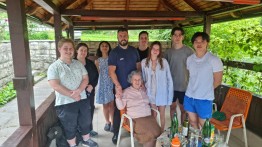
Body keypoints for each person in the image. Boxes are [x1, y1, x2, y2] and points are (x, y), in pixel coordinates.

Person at [47, 39, 98, 147]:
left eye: (71, 48)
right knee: (70, 125)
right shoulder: (54, 67)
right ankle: (73, 144)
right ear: (59, 49)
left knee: (86, 121)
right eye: (66, 48)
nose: (69, 51)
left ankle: (86, 140)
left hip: (82, 98)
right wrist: (72, 95)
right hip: (65, 102)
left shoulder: (78, 64)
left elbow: (86, 78)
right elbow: (55, 85)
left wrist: (79, 91)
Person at [184, 32, 223, 128]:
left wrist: (205, 90)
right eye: (196, 41)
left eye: (202, 41)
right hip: (189, 96)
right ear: (193, 44)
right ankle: (197, 143)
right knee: (192, 122)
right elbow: (191, 76)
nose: (199, 44)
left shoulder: (214, 60)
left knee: (205, 125)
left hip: (204, 99)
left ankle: (206, 143)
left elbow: (218, 81)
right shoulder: (189, 59)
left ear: (207, 43)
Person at [108, 27, 140, 144]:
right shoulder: (114, 52)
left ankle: (133, 130)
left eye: (125, 35)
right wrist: (117, 85)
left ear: (128, 36)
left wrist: (139, 83)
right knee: (118, 110)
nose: (123, 38)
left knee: (133, 108)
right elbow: (111, 71)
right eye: (121, 36)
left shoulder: (133, 50)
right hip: (119, 87)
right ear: (117, 37)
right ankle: (116, 132)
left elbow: (138, 67)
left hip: (133, 88)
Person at [115, 70, 161, 147]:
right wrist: (118, 98)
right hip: (135, 119)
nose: (137, 82)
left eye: (139, 80)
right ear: (131, 81)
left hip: (148, 117)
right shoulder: (126, 92)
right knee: (148, 134)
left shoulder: (144, 91)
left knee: (157, 132)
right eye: (135, 80)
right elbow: (120, 107)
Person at [141, 41, 173, 132]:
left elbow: (169, 79)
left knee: (162, 114)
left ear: (160, 51)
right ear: (150, 49)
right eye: (154, 49)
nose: (155, 51)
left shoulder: (164, 62)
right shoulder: (144, 62)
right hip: (150, 93)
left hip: (162, 93)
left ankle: (162, 132)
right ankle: (155, 132)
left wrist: (169, 96)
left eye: (157, 49)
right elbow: (143, 77)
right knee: (154, 114)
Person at [165, 27, 194, 123]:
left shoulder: (189, 51)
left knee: (183, 109)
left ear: (183, 37)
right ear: (172, 37)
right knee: (172, 107)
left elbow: (194, 68)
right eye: (175, 35)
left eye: (179, 35)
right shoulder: (168, 52)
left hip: (184, 86)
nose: (177, 37)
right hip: (171, 86)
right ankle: (174, 129)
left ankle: (182, 131)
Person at [75, 43, 99, 137]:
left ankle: (89, 129)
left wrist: (92, 86)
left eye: (85, 50)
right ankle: (79, 132)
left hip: (89, 92)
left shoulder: (90, 63)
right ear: (77, 51)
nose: (83, 52)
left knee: (90, 110)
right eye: (81, 50)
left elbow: (96, 76)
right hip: (77, 93)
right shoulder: (72, 63)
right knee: (78, 112)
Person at [94, 41, 114, 132]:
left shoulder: (112, 59)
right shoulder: (97, 61)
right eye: (103, 46)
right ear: (100, 48)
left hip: (111, 83)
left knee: (112, 105)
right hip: (102, 84)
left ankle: (113, 123)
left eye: (106, 46)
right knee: (105, 105)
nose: (105, 47)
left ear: (109, 48)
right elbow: (97, 74)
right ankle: (107, 122)